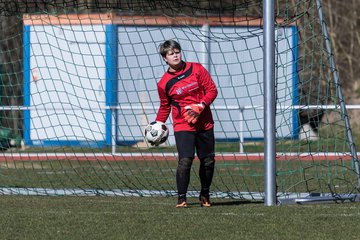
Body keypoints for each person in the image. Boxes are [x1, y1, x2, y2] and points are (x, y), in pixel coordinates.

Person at [154, 39, 218, 208]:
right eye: (170, 54)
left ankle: (205, 194)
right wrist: (157, 125)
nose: (175, 55)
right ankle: (181, 199)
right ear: (165, 58)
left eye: (177, 52)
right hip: (183, 125)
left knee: (208, 161)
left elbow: (212, 90)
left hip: (204, 123)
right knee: (185, 161)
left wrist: (201, 105)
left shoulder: (197, 69)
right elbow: (165, 106)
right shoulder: (164, 83)